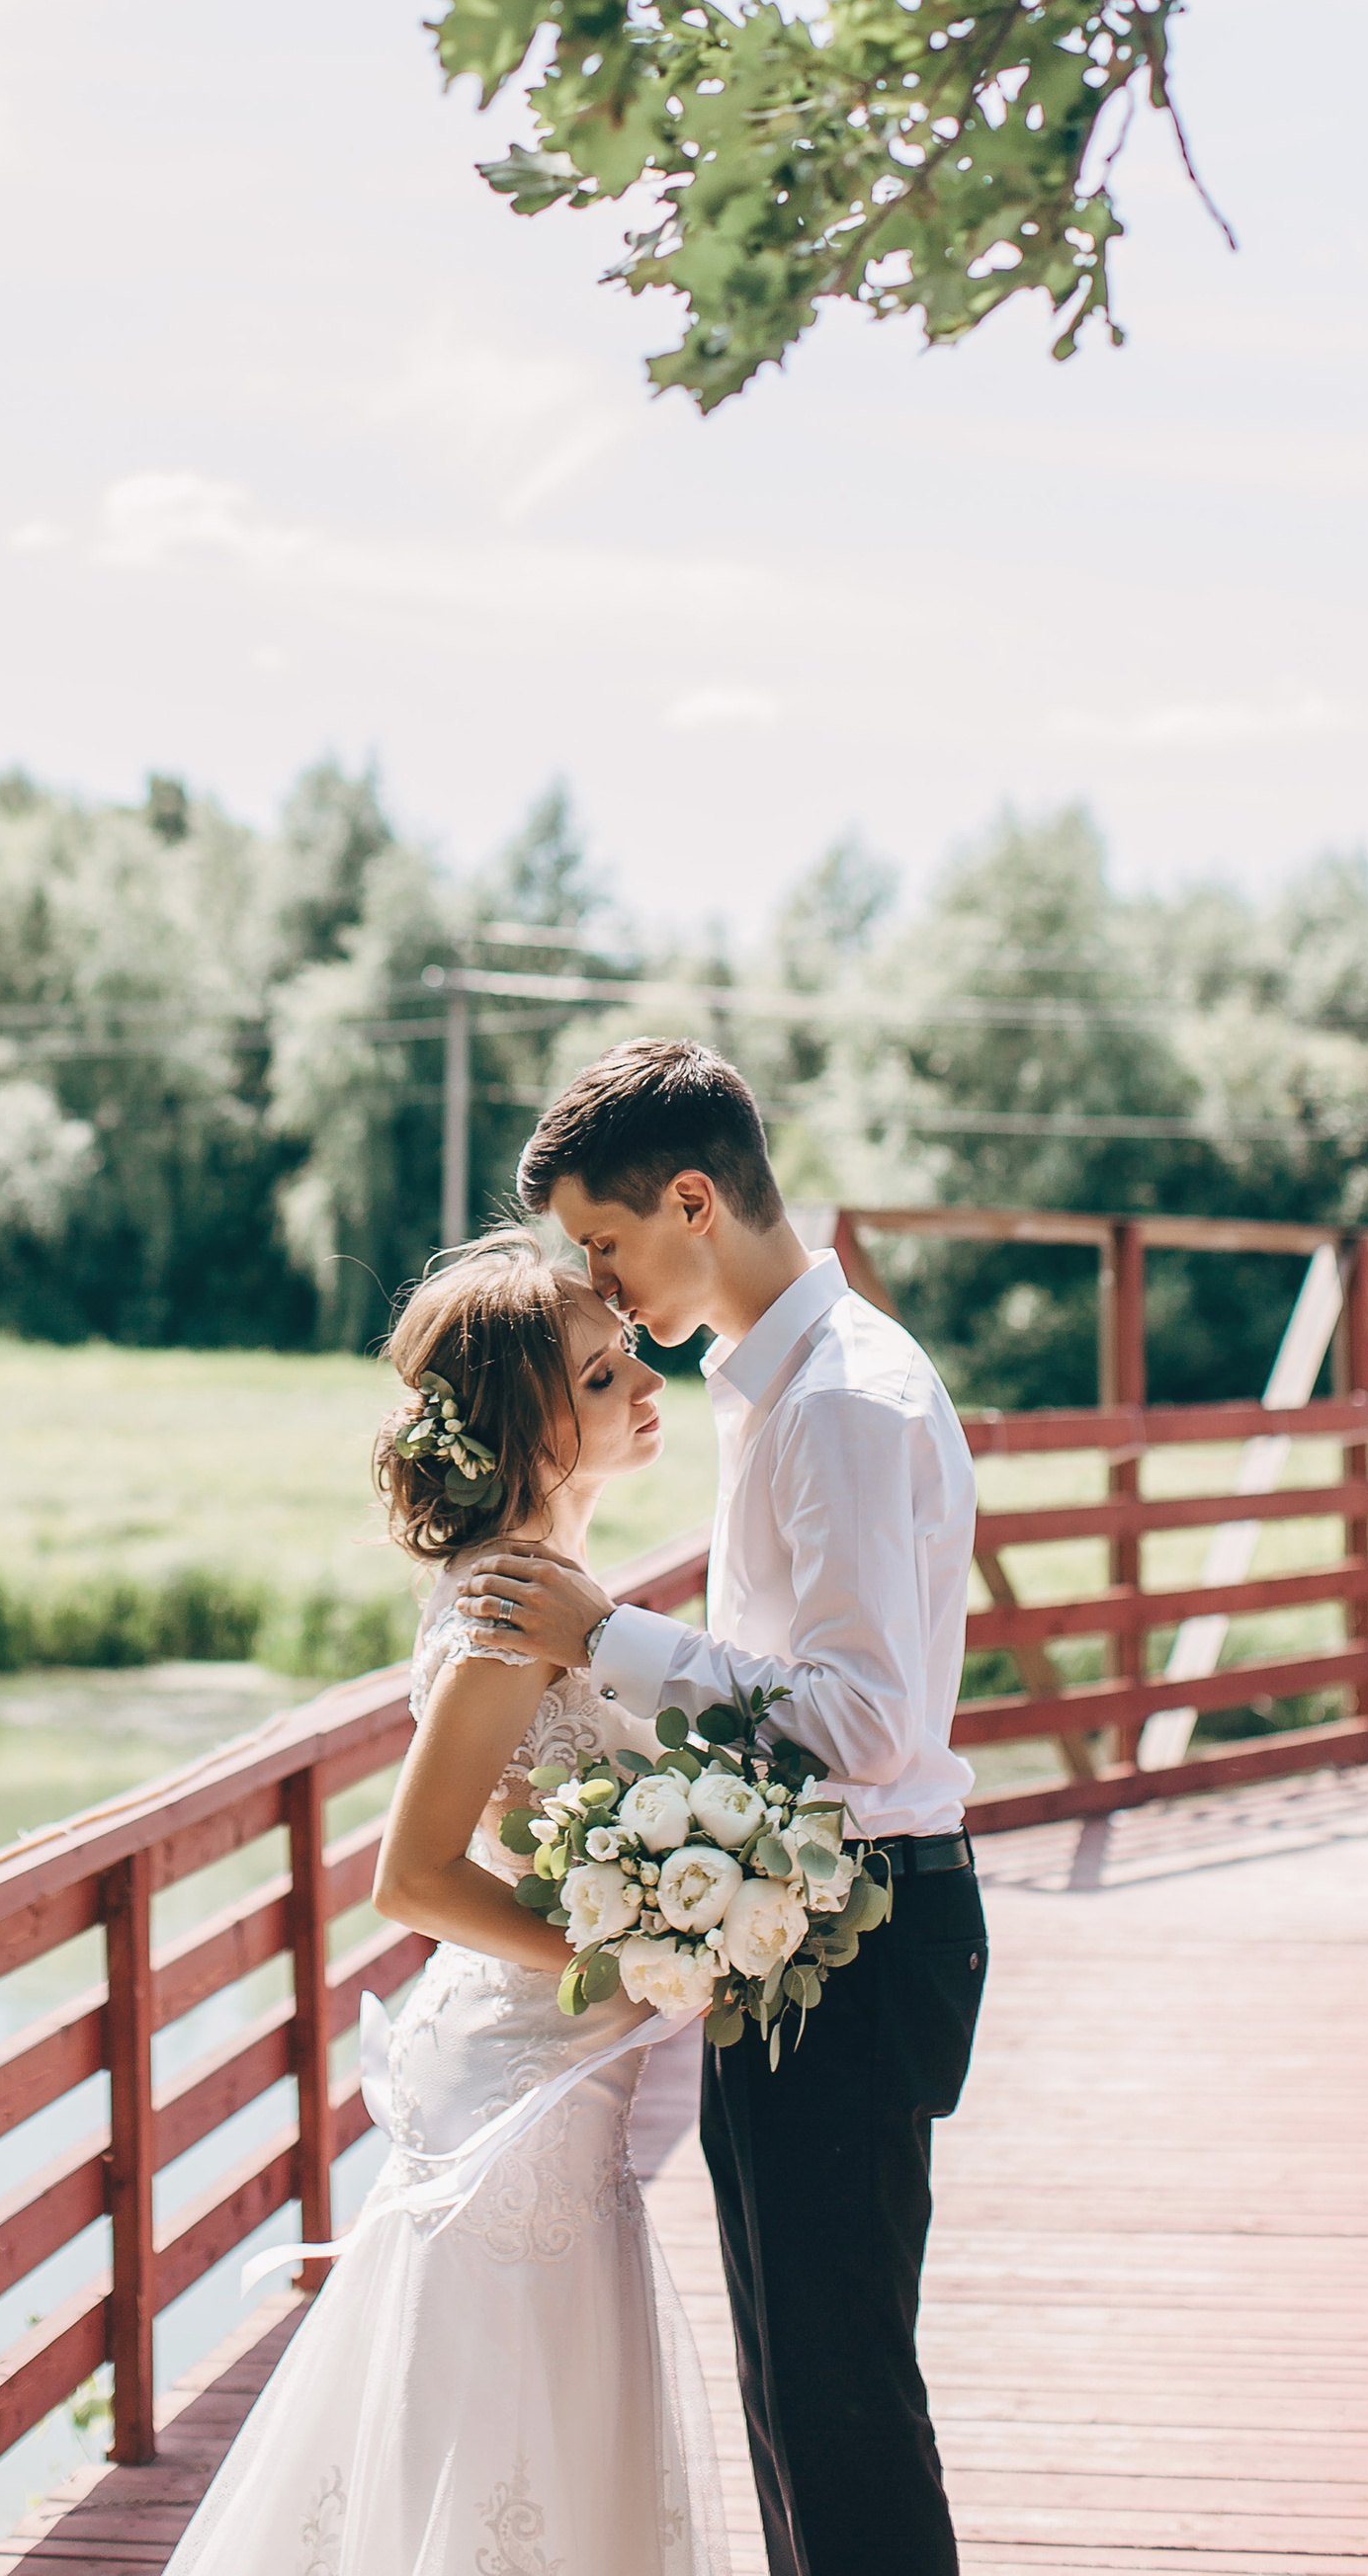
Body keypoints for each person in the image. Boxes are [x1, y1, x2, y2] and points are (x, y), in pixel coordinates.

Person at [461, 1039, 984, 2576]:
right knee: (794, 2400)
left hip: (863, 1933)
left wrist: (605, 1639)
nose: (603, 1289)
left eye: (607, 1242)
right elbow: (790, 1678)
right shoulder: (776, 1390)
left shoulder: (843, 1405)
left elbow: (866, 1725)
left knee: (841, 2407)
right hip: (802, 1926)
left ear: (695, 1201)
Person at [161, 1227, 730, 2576]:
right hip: (522, 2089)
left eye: (628, 1356)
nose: (648, 1381)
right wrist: (621, 1967)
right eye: (601, 1377)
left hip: (559, 2079)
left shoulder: (553, 1590)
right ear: (523, 1428)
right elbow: (410, 1878)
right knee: (502, 2441)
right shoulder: (505, 1614)